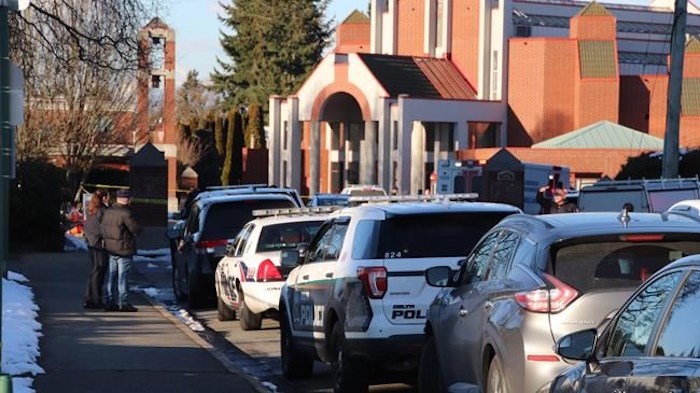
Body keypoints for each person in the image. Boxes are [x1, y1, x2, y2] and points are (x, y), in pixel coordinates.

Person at [100, 189, 141, 312]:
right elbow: (135, 229)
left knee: (111, 275)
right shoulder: (126, 213)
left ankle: (109, 300)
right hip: (124, 248)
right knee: (123, 277)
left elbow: (102, 229)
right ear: (126, 199)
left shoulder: (108, 212)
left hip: (111, 248)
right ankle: (123, 302)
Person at [83, 189, 110, 309]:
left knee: (95, 270)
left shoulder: (90, 209)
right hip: (99, 244)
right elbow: (105, 228)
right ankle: (95, 298)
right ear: (104, 198)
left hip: (91, 242)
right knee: (99, 270)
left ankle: (90, 297)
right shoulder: (103, 210)